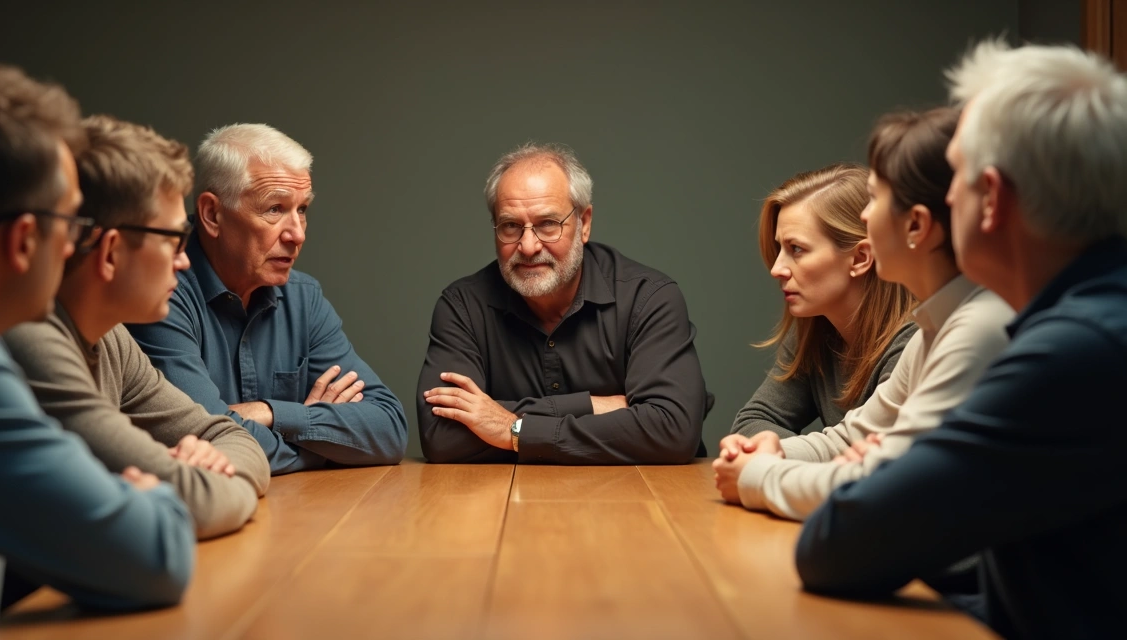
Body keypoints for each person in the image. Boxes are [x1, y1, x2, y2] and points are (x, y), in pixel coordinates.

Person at [795, 40, 1127, 640]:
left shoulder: (1072, 353)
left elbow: (836, 543)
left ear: (992, 198)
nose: (946, 199)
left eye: (958, 178)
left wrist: (881, 475)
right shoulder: (1091, 320)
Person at [0, 61, 192, 638]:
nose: (75, 246)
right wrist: (147, 494)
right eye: (70, 223)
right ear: (22, 240)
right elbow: (155, 555)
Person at [713, 107, 1014, 521]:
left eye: (874, 198)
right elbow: (849, 439)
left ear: (916, 225)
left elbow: (888, 486)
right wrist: (770, 451)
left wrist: (759, 475)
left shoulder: (973, 328)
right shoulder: (936, 327)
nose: (866, 217)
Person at [4, 115, 270, 539]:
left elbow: (233, 437)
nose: (184, 260)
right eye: (173, 240)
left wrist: (205, 474)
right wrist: (217, 484)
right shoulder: (31, 341)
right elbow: (197, 504)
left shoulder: (112, 337)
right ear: (110, 251)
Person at [127, 123, 407, 474]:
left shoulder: (303, 298)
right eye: (275, 209)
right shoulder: (160, 292)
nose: (297, 234)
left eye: (302, 209)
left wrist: (269, 412)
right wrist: (319, 446)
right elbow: (203, 438)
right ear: (212, 214)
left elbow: (389, 429)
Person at [418, 142, 708, 464]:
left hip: (637, 493)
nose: (528, 246)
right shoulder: (462, 307)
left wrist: (512, 429)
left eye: (547, 224)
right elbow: (441, 435)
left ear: (584, 224)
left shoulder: (648, 297)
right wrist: (592, 406)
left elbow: (672, 430)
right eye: (511, 226)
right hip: (506, 494)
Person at [729, 164, 916, 440]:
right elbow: (752, 422)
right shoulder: (816, 329)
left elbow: (877, 451)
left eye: (796, 249)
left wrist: (775, 451)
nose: (777, 269)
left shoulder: (915, 341)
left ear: (860, 258)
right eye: (780, 248)